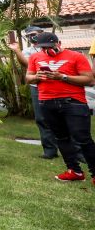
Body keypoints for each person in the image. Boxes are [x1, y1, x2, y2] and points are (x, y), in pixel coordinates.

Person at [25, 32, 95, 184]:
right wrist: (37, 77)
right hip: (47, 102)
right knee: (61, 138)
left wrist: (62, 77)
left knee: (82, 138)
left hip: (73, 102)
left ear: (59, 43)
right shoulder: (35, 58)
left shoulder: (76, 56)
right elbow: (28, 77)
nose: (46, 51)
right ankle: (74, 171)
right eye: (43, 48)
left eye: (49, 47)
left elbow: (89, 80)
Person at [8, 26, 59, 159]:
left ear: (42, 34)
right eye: (29, 35)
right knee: (41, 118)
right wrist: (17, 50)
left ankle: (76, 150)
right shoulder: (29, 51)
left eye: (34, 34)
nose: (32, 37)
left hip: (57, 86)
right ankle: (50, 150)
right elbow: (27, 64)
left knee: (63, 117)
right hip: (37, 87)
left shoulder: (54, 46)